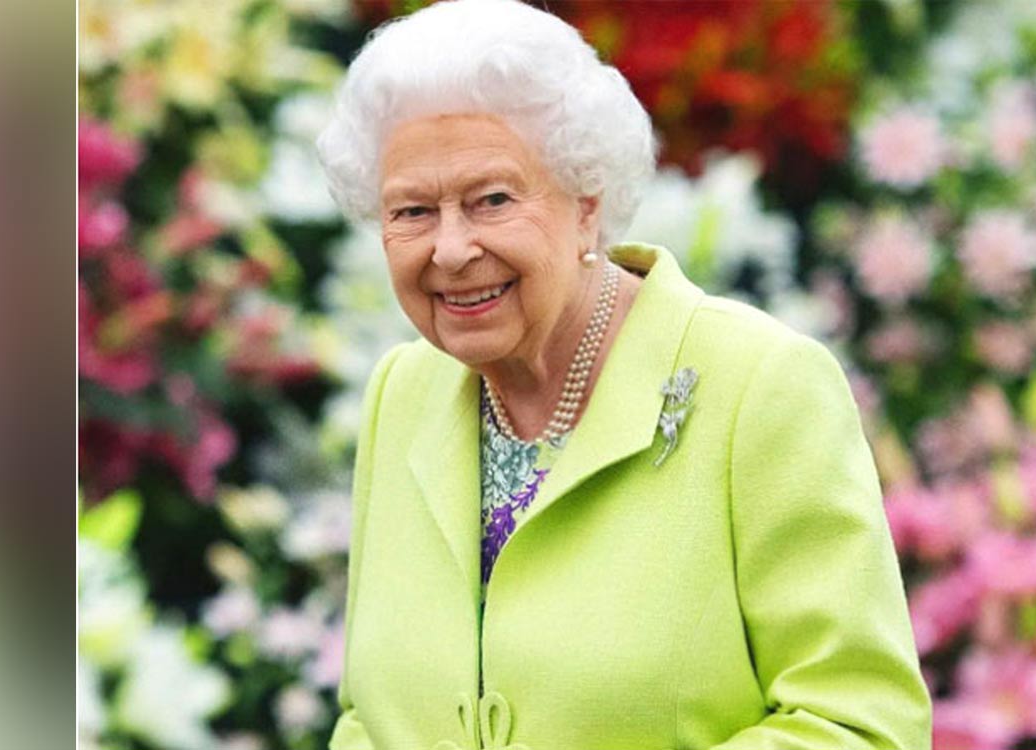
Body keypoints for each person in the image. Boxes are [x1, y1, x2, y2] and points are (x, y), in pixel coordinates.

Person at [315, 1, 932, 748]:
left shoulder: (762, 385)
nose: (449, 250)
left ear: (587, 204)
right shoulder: (401, 392)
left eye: (492, 200)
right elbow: (369, 720)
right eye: (412, 211)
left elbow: (861, 722)